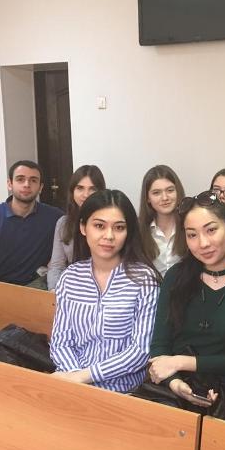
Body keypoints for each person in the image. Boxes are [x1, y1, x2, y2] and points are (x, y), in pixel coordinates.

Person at [149, 191, 225, 409]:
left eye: (211, 230)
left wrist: (179, 362)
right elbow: (159, 345)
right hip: (171, 390)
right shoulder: (176, 276)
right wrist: (175, 383)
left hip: (223, 392)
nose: (203, 243)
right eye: (192, 235)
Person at [50, 189, 160, 392]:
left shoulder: (144, 280)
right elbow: (60, 342)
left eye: (119, 228)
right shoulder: (70, 277)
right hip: (71, 382)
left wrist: (84, 377)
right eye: (99, 226)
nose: (109, 236)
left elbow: (140, 351)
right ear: (83, 227)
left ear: (128, 232)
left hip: (123, 391)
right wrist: (75, 376)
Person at [0, 160, 63, 288]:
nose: (27, 184)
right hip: (0, 287)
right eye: (20, 179)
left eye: (33, 180)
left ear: (40, 187)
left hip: (39, 288)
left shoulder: (56, 217)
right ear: (10, 184)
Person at [47, 165, 106, 290]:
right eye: (80, 188)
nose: (85, 194)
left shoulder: (111, 222)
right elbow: (57, 266)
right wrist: (54, 290)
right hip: (73, 287)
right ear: (72, 191)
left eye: (92, 189)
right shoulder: (63, 223)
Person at [138, 165, 186, 277]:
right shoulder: (139, 231)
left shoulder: (190, 226)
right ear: (147, 198)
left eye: (170, 190)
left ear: (178, 191)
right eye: (156, 193)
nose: (165, 198)